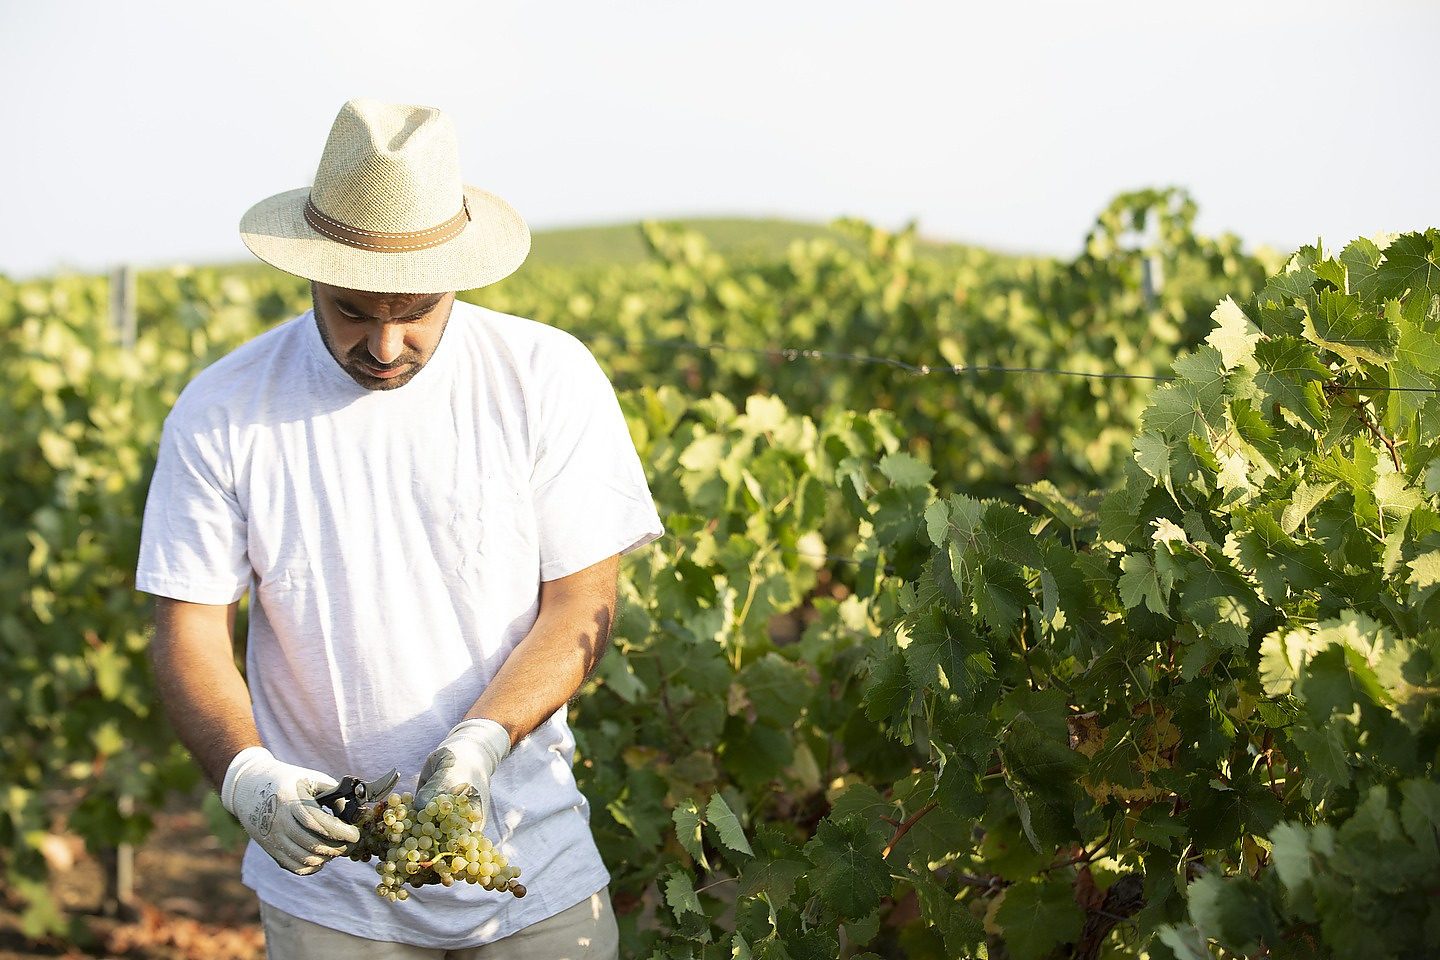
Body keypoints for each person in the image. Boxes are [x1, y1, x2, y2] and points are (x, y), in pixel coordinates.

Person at [136, 98, 663, 958]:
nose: (384, 344)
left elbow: (580, 603)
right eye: (351, 311)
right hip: (328, 897)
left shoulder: (545, 378)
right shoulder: (223, 409)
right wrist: (249, 778)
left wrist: (480, 745)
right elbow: (188, 629)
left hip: (534, 868)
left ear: (459, 273)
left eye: (414, 311)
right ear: (307, 273)